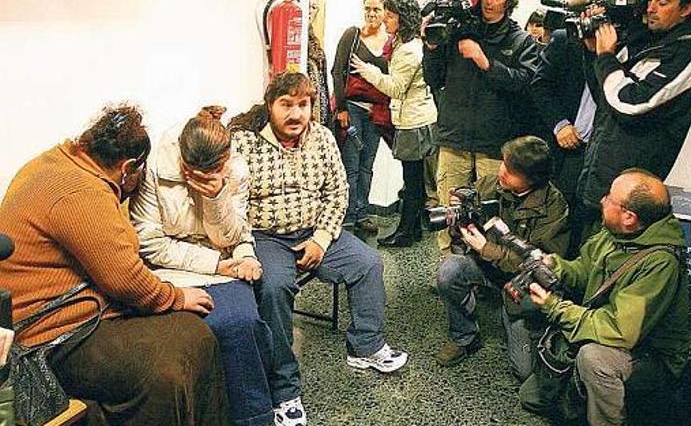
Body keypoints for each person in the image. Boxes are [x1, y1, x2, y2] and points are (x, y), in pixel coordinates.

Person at [0, 105, 228, 425]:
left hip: (56, 316)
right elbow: (126, 279)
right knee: (176, 358)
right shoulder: (82, 192)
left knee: (194, 335)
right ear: (127, 167)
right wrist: (176, 297)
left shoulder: (56, 161)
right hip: (49, 337)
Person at [229, 72, 409, 415]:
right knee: (274, 287)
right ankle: (284, 389)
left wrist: (321, 240)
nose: (296, 114)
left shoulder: (323, 138)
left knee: (369, 263)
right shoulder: (245, 144)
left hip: (316, 230)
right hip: (267, 236)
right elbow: (234, 202)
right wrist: (244, 246)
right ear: (270, 107)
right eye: (286, 105)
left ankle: (365, 346)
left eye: (303, 105)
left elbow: (338, 192)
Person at [129, 110, 299, 426]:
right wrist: (217, 265)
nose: (214, 175)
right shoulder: (155, 168)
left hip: (224, 258)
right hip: (173, 267)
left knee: (242, 322)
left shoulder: (235, 167)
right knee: (196, 333)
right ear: (183, 163)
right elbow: (150, 242)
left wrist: (217, 197)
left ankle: (255, 418)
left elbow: (235, 234)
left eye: (219, 169)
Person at [519, 169, 690, 426]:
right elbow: (584, 271)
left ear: (629, 217)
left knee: (594, 359)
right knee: (531, 396)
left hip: (650, 356)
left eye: (610, 198)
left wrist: (555, 307)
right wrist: (555, 266)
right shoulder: (616, 234)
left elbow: (620, 330)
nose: (602, 200)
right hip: (610, 328)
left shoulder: (660, 262)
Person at [576, 0, 691, 238]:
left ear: (686, 9)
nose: (651, 9)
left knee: (612, 274)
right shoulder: (644, 43)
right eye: (650, 0)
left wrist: (606, 58)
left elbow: (630, 106)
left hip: (631, 202)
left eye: (663, 2)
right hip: (601, 183)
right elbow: (606, 97)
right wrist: (594, 54)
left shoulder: (686, 55)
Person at [422, 0, 540, 253]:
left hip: (494, 143)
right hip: (454, 137)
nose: (489, 1)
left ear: (508, 1)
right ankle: (449, 270)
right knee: (450, 211)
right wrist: (431, 47)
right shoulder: (458, 33)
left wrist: (485, 62)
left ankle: (488, 270)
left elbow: (525, 85)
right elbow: (434, 78)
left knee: (491, 212)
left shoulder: (520, 40)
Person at [435, 136, 569, 380]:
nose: (502, 172)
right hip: (487, 267)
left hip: (525, 284)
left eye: (511, 171)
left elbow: (541, 264)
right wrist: (460, 219)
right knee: (450, 270)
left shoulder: (554, 207)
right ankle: (465, 336)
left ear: (532, 179)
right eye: (503, 164)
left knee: (524, 371)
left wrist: (487, 248)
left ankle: (535, 326)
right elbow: (459, 228)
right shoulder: (491, 185)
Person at [352, 0, 438, 248]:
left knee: (412, 182)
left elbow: (396, 88)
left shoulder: (408, 51)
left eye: (390, 16)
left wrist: (369, 72)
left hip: (414, 122)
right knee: (414, 181)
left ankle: (405, 232)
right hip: (416, 118)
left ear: (403, 19)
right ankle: (412, 230)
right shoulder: (407, 43)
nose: (385, 21)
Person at [530, 27, 601, 254]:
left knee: (591, 225)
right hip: (566, 148)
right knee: (559, 218)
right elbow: (539, 85)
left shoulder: (631, 47)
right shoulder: (566, 40)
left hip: (601, 150)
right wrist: (559, 123)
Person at [331, 0, 390, 235]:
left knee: (367, 164)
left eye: (376, 9)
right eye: (367, 8)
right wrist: (342, 109)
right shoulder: (352, 35)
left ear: (385, 12)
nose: (371, 13)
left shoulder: (390, 42)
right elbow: (337, 71)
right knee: (351, 163)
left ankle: (362, 212)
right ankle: (347, 216)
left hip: (377, 113)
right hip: (353, 109)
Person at [307, 0, 334, 130]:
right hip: (305, 113)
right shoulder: (296, 38)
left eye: (314, 7)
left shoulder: (313, 40)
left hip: (319, 114)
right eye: (307, 5)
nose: (310, 10)